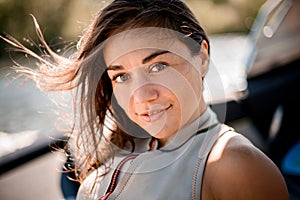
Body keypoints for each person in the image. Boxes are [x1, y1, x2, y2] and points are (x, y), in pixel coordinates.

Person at [1, 0, 289, 199]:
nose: (142, 95)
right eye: (122, 76)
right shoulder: (114, 154)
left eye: (158, 66)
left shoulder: (234, 165)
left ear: (201, 57)